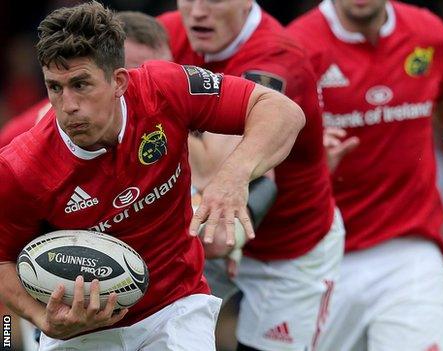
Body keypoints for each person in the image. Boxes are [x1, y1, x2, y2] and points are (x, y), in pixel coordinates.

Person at [0, 2, 304, 351]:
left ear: (119, 81)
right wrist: (42, 320)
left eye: (81, 84)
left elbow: (281, 111)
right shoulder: (20, 166)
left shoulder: (164, 89)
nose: (68, 105)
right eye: (55, 87)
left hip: (174, 305)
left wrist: (234, 175)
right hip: (82, 328)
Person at [287, 1, 443, 350]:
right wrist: (308, 159)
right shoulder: (296, 48)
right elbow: (266, 149)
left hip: (411, 254)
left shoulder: (426, 33)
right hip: (322, 259)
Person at [158, 2, 345, 350]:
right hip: (202, 235)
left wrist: (154, 105)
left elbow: (220, 166)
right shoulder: (163, 35)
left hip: (288, 248)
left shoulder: (275, 57)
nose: (198, 12)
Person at [0, 10, 172, 148]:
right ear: (119, 79)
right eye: (140, 73)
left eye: (164, 72)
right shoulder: (22, 137)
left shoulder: (178, 102)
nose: (155, 85)